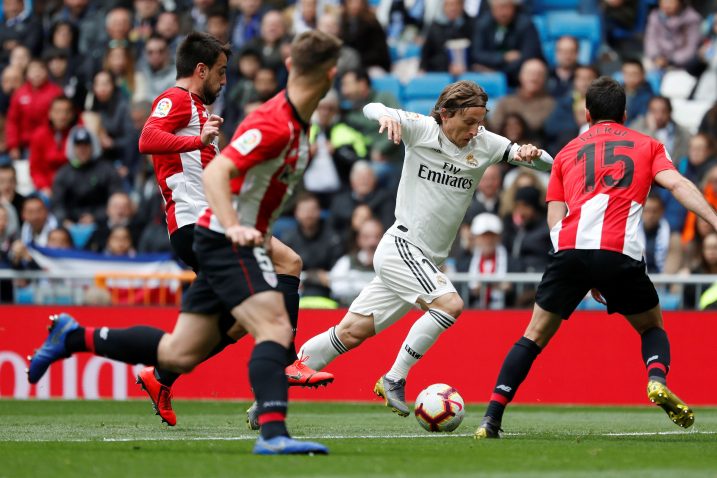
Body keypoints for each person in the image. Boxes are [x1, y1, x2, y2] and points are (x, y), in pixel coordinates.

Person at [27, 30, 342, 455]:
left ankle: (81, 341)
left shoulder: (198, 109)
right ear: (201, 70)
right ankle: (277, 408)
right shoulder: (175, 99)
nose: (224, 80)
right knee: (273, 314)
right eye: (221, 72)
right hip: (200, 225)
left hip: (210, 225)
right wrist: (200, 143)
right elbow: (146, 138)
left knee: (183, 349)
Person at [473, 76, 713, 439]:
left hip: (570, 249)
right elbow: (678, 185)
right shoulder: (647, 145)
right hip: (619, 252)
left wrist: (575, 262)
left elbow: (555, 213)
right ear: (626, 113)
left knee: (533, 336)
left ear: (586, 113)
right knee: (651, 327)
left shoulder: (567, 152)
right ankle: (655, 378)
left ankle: (491, 417)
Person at [295, 80, 553, 416]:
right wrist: (386, 115)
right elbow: (371, 108)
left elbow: (540, 162)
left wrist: (536, 155)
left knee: (350, 331)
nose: (476, 129)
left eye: (480, 121)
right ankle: (394, 378)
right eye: (469, 122)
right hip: (401, 246)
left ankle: (276, 384)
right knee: (449, 305)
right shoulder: (421, 130)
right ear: (445, 115)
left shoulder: (485, 143)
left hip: (424, 261)